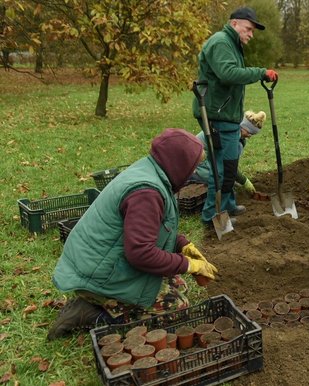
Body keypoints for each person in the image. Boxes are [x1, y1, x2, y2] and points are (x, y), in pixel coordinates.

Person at [48, 129, 218, 340]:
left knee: (178, 284)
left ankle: (105, 303)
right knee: (176, 309)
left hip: (99, 261)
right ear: (178, 164)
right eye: (192, 167)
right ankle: (94, 314)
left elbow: (152, 227)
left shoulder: (153, 172)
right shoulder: (147, 192)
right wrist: (188, 264)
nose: (193, 173)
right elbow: (140, 253)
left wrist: (182, 244)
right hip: (98, 273)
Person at [192, 6, 277, 225]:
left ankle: (227, 204)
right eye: (248, 29)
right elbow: (227, 74)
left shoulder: (231, 44)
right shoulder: (221, 42)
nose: (250, 34)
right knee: (222, 169)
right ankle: (212, 215)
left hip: (225, 115)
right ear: (234, 24)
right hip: (217, 115)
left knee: (229, 165)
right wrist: (260, 72)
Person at [191, 110, 266, 207]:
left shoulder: (237, 136)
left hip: (210, 158)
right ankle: (193, 178)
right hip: (196, 161)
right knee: (223, 185)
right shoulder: (230, 137)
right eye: (249, 132)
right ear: (242, 126)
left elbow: (230, 165)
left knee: (230, 184)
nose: (250, 136)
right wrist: (244, 181)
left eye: (252, 134)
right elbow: (229, 166)